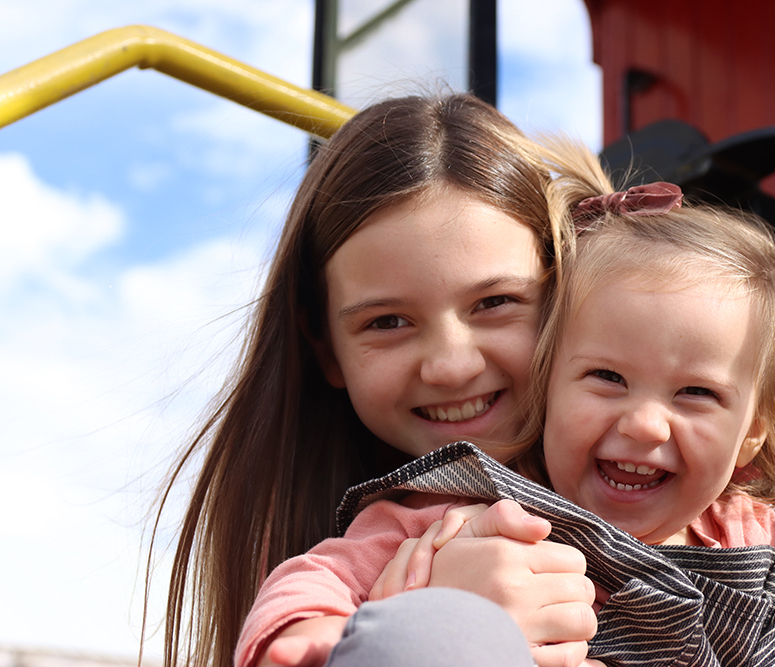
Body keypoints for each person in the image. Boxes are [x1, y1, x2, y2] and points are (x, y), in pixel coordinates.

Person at [236, 140, 775, 667]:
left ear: (752, 430)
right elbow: (323, 576)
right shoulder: (467, 506)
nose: (644, 423)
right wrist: (308, 634)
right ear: (552, 370)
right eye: (607, 378)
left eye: (696, 393)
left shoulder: (769, 548)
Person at [144, 94, 599, 667]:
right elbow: (316, 588)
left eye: (495, 302)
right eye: (387, 322)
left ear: (565, 297)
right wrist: (420, 619)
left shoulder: (681, 475)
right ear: (326, 350)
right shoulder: (411, 527)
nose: (451, 365)